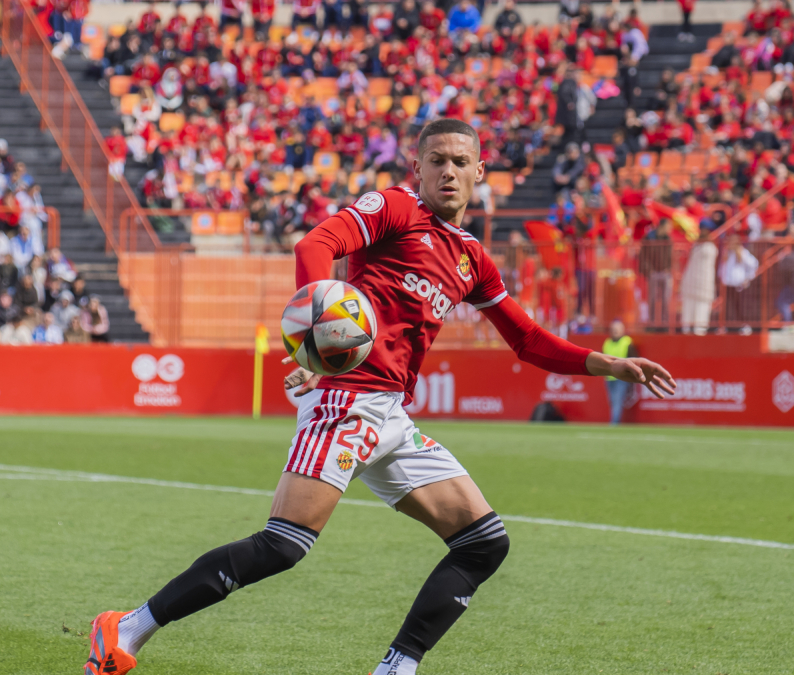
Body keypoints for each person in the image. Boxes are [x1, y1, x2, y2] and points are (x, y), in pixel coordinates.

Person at [82, 120, 676, 675]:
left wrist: (608, 364)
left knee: (483, 543)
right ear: (416, 168)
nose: (448, 171)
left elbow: (525, 338)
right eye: (436, 160)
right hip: (346, 397)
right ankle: (127, 629)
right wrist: (315, 343)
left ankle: (397, 667)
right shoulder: (396, 208)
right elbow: (315, 246)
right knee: (285, 545)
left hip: (391, 412)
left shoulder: (471, 258)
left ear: (479, 173)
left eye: (460, 162)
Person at [680, 231, 717, 335]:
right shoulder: (698, 248)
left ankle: (697, 331)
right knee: (691, 311)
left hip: (702, 286)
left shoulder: (707, 249)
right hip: (694, 285)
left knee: (699, 310)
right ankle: (692, 330)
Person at [602, 319, 638, 424]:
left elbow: (634, 358)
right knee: (612, 401)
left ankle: (614, 422)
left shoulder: (626, 342)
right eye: (613, 329)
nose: (615, 331)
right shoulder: (607, 343)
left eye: (617, 329)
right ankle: (614, 421)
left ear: (622, 330)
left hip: (622, 377)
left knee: (617, 400)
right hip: (609, 377)